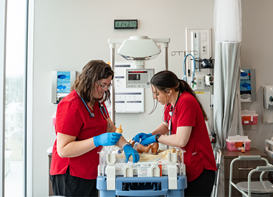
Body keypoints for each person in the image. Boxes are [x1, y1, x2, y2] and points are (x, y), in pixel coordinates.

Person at [50, 60, 139, 197]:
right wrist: (96, 140)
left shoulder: (97, 103)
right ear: (89, 80)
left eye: (107, 86)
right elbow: (63, 150)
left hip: (91, 172)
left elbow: (111, 130)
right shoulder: (70, 105)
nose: (104, 90)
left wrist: (126, 146)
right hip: (71, 175)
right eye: (102, 85)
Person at [132, 70, 217, 197]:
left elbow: (181, 140)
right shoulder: (171, 104)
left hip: (200, 167)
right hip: (188, 165)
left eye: (156, 93)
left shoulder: (186, 101)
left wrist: (156, 138)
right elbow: (167, 125)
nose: (155, 97)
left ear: (169, 91)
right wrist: (150, 135)